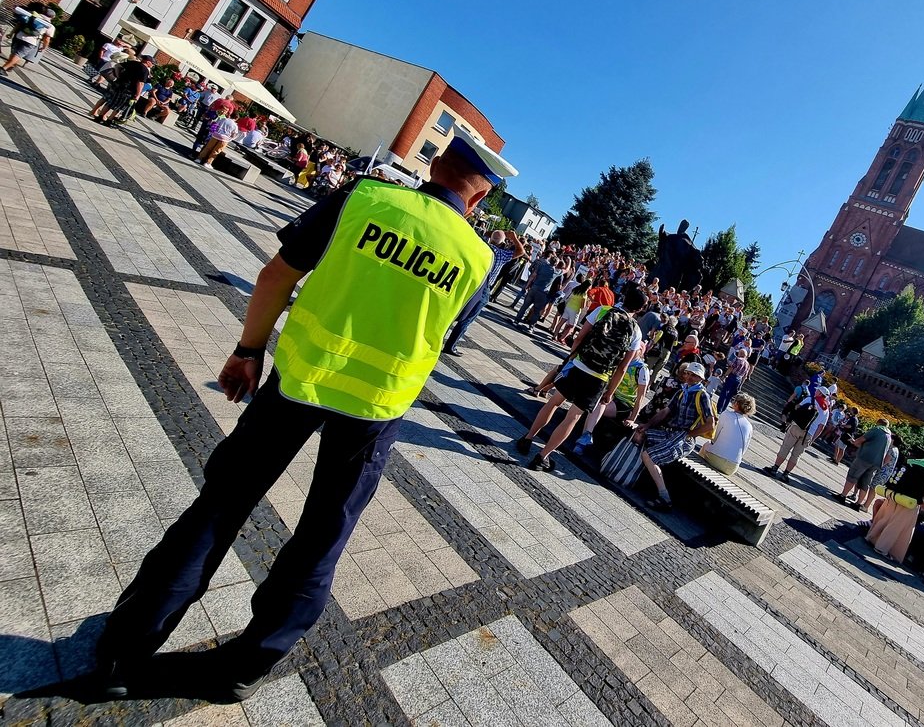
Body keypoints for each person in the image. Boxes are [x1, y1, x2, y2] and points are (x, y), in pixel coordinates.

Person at [89, 125, 515, 701]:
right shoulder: (480, 259)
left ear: (435, 161)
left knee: (223, 502)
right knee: (322, 535)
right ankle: (245, 666)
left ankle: (125, 648)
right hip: (376, 405)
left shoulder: (363, 199)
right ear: (481, 196)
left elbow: (275, 275)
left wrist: (248, 349)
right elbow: (444, 339)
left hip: (300, 377)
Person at [516, 284, 646, 472]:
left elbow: (579, 338)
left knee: (553, 403)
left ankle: (527, 438)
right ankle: (542, 456)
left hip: (578, 366)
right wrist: (610, 392)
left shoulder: (602, 311)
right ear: (640, 309)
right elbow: (623, 367)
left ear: (624, 298)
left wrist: (573, 358)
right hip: (600, 378)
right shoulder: (636, 331)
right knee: (573, 417)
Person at [634, 362, 715, 510]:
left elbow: (710, 424)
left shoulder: (702, 395)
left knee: (649, 456)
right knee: (639, 435)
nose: (689, 377)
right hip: (670, 433)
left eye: (694, 375)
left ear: (700, 379)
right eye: (688, 373)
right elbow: (665, 411)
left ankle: (664, 497)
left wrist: (689, 434)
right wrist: (647, 425)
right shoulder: (682, 391)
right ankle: (638, 479)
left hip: (683, 438)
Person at [444, 229, 526, 355]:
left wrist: (493, 234)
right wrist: (514, 238)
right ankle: (451, 345)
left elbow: (484, 235)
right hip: (484, 289)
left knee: (453, 312)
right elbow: (521, 251)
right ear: (503, 242)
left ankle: (439, 337)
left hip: (469, 284)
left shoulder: (481, 247)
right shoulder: (500, 254)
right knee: (467, 319)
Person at [572, 341, 651, 454]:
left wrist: (632, 418)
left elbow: (641, 397)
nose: (630, 352)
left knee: (599, 404)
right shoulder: (622, 360)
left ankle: (585, 438)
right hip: (612, 395)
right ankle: (585, 437)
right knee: (595, 400)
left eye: (635, 349)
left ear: (640, 352)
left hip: (625, 403)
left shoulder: (642, 369)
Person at [867, 455, 924, 563]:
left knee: (885, 518)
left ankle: (872, 538)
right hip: (910, 502)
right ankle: (881, 548)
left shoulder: (911, 462)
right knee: (897, 525)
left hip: (894, 495)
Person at [835, 418, 893, 508]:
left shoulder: (877, 430)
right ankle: (857, 504)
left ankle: (843, 496)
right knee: (865, 483)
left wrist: (854, 442)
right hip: (876, 462)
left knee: (853, 476)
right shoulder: (889, 436)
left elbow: (861, 439)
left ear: (878, 423)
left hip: (865, 458)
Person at [699, 392, 755, 475]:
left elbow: (714, 438)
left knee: (706, 445)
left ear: (736, 404)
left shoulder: (726, 414)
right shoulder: (750, 426)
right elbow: (744, 449)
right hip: (733, 466)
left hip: (716, 459)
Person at [89, 55, 153, 126]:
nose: (153, 65)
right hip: (128, 89)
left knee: (110, 102)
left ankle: (100, 117)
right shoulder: (145, 70)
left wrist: (118, 76)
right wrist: (138, 94)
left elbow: (117, 66)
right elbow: (140, 83)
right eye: (152, 63)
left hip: (118, 83)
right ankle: (109, 120)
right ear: (148, 62)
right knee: (120, 105)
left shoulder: (133, 62)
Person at [2, 4, 54, 74]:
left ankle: (9, 66)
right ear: (52, 17)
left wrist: (11, 33)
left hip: (19, 35)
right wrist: (44, 47)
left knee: (14, 53)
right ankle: (3, 68)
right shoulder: (50, 25)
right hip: (31, 41)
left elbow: (19, 24)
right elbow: (47, 39)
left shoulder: (32, 16)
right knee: (18, 55)